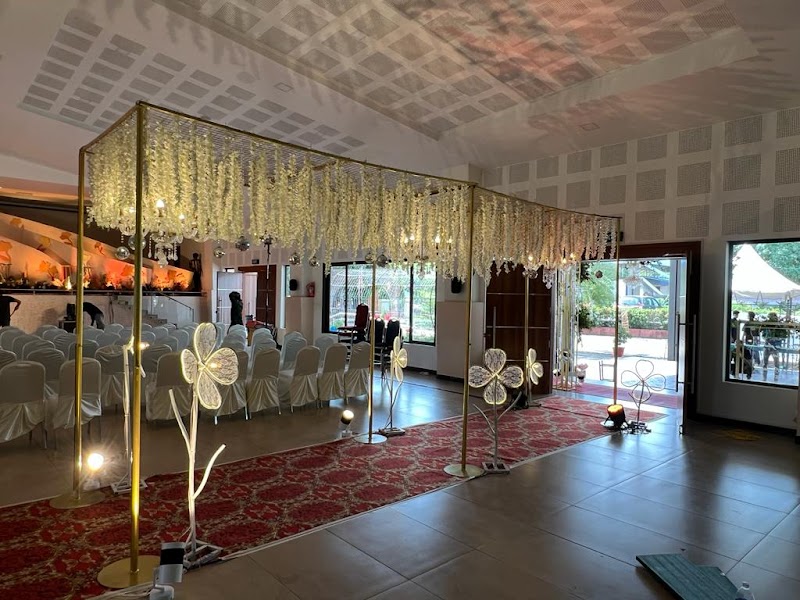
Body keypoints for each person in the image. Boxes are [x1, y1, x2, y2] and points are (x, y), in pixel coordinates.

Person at [762, 312, 787, 382]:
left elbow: (784, 336)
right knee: (764, 363)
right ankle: (764, 378)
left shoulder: (780, 326)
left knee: (776, 363)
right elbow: (763, 335)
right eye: (769, 317)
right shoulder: (767, 325)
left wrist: (776, 339)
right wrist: (766, 338)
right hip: (767, 346)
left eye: (771, 317)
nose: (769, 319)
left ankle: (776, 379)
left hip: (775, 347)